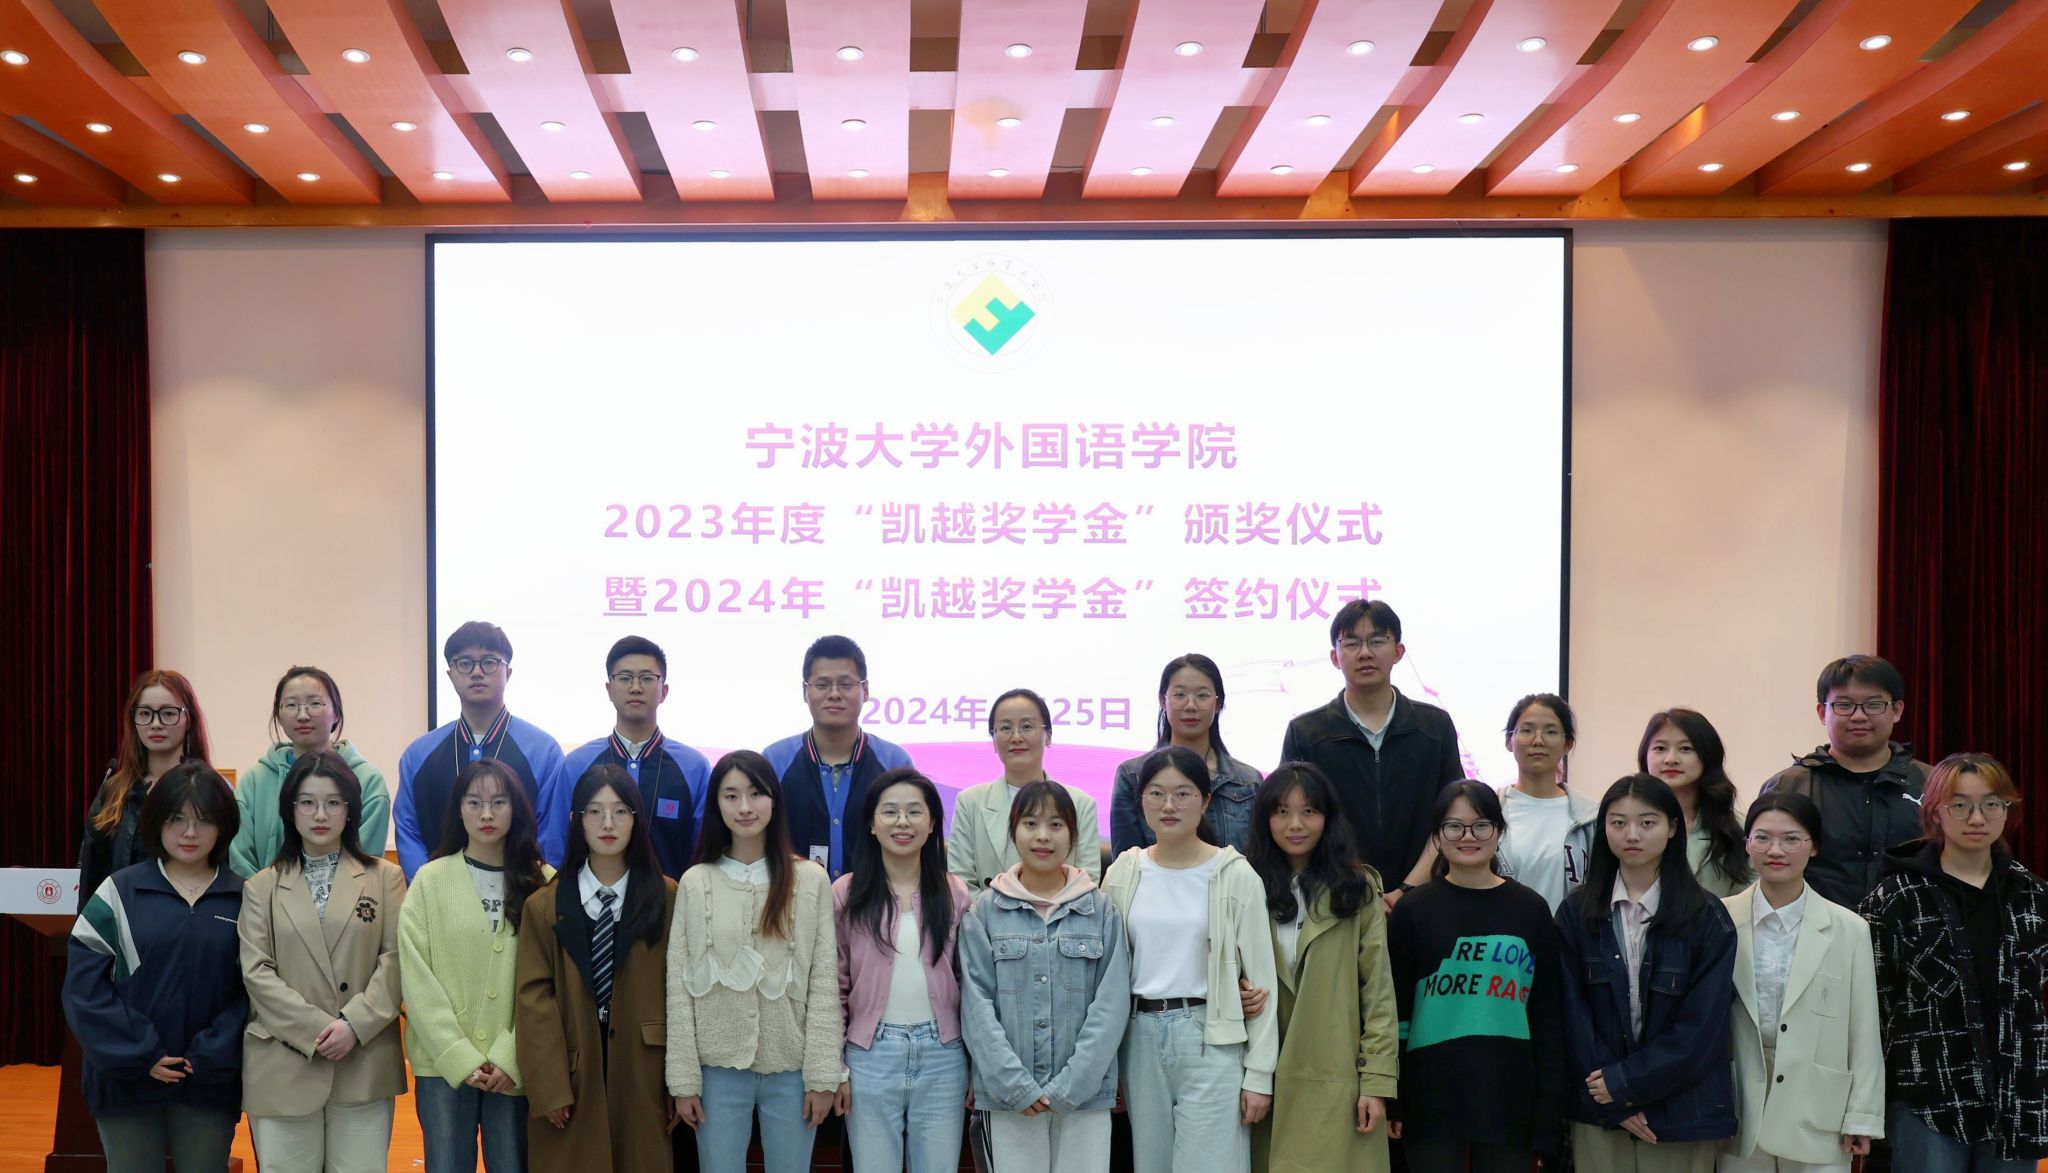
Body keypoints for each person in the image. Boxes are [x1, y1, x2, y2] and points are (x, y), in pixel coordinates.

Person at [1861, 752, 2048, 1172]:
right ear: (1934, 811)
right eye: (1960, 805)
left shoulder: (2033, 897)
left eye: (1991, 804)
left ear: (2007, 810)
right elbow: (1875, 1005)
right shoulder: (1896, 897)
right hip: (1929, 1095)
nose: (1977, 818)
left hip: (2015, 1096)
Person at [1103, 746, 1280, 1173]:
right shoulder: (1123, 872)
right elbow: (1106, 974)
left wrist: (1259, 1075)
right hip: (1139, 1039)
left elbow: (1262, 984)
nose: (1168, 805)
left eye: (1183, 794)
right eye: (1156, 793)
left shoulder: (1234, 873)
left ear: (1205, 801)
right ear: (1141, 800)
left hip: (1209, 1038)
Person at [64, 762, 246, 1173]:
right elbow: (83, 989)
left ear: (223, 826)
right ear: (156, 821)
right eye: (176, 819)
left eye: (204, 820)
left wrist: (211, 1054)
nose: (189, 832)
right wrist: (141, 1053)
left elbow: (253, 992)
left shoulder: (244, 899)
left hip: (208, 1081)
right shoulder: (118, 892)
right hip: (126, 1080)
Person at [667, 750, 841, 1173]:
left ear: (774, 801)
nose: (744, 807)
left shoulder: (811, 879)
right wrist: (683, 1080)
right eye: (731, 796)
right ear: (716, 805)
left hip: (792, 1069)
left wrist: (823, 1076)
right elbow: (678, 985)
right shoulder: (695, 881)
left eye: (756, 794)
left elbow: (824, 982)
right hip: (717, 1071)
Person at [239, 750, 409, 1173]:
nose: (320, 814)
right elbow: (256, 973)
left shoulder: (385, 878)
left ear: (351, 810)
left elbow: (396, 961)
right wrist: (318, 1030)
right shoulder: (261, 887)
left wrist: (353, 1025)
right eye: (307, 802)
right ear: (289, 809)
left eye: (333, 802)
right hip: (284, 1060)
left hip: (363, 1059)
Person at [1556, 774, 1737, 1173]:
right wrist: (1612, 1094)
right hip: (1599, 1106)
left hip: (1681, 1109)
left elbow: (1702, 1027)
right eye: (1618, 822)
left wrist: (1627, 1084)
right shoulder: (1576, 913)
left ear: (1673, 828)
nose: (1632, 834)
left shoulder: (1706, 916)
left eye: (1647, 822)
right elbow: (1571, 1014)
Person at [1387, 779, 1564, 1173]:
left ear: (1499, 832)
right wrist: (1394, 1098)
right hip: (1429, 1099)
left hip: (1509, 1097)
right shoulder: (1413, 911)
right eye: (1454, 826)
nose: (1468, 836)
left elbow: (1548, 1020)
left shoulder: (1530, 910)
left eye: (1481, 825)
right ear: (1437, 836)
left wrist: (1547, 1116)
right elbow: (1396, 1013)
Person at [959, 780, 1130, 1173]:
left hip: (1085, 1098)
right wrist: (1013, 1085)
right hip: (1007, 1100)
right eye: (1030, 823)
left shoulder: (1102, 911)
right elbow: (975, 1006)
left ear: (1073, 834)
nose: (1042, 836)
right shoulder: (983, 912)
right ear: (1013, 831)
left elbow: (1111, 1005)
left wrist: (1073, 1085)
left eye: (1056, 825)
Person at [516, 762, 678, 1173]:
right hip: (572, 1073)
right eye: (595, 811)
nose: (608, 823)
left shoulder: (666, 897)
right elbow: (533, 1001)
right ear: (577, 819)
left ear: (636, 820)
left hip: (644, 1071)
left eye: (620, 811)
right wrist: (549, 1087)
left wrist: (680, 1081)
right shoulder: (544, 905)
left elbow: (680, 992)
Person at [1243, 762, 1398, 1173]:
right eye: (1282, 811)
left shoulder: (1358, 889)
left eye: (1309, 811)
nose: (1295, 824)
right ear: (1265, 819)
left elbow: (1378, 993)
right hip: (1260, 1076)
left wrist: (1377, 1082)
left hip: (1337, 1076)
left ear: (1328, 817)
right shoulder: (1243, 883)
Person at [400, 759, 552, 1173]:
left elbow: (552, 983)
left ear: (516, 809)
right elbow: (416, 977)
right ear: (459, 810)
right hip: (442, 1065)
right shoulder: (429, 881)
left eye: (499, 802)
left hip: (516, 1067)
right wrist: (458, 1055)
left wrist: (511, 1054)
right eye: (474, 802)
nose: (487, 814)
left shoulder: (544, 882)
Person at [1723, 791, 1883, 1173]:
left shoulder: (1848, 929)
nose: (1776, 850)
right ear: (1747, 844)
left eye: (1791, 839)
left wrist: (1862, 1116)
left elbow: (1863, 1032)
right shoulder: (1721, 919)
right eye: (1763, 837)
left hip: (1818, 1109)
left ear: (1814, 847)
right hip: (1740, 1104)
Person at [832, 767, 973, 1172]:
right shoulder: (847, 893)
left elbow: (970, 985)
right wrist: (835, 1067)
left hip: (944, 1055)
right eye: (890, 812)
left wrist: (977, 1067)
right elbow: (833, 987)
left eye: (914, 812)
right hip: (870, 1056)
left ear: (932, 824)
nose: (902, 822)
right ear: (872, 824)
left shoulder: (955, 893)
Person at [1277, 600, 1463, 905]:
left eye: (1377, 641)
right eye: (1351, 643)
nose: (1365, 653)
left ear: (1398, 651)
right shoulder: (1306, 734)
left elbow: (1453, 817)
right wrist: (1357, 890)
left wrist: (1407, 891)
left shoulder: (1433, 727)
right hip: (1335, 901)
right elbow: (1295, 821)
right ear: (1335, 657)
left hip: (1426, 900)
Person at [397, 621, 566, 879]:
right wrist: (430, 890)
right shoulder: (418, 755)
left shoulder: (543, 751)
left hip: (519, 894)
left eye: (489, 662)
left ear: (508, 672)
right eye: (464, 663)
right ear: (450, 674)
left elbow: (549, 837)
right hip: (436, 896)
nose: (477, 672)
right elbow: (409, 833)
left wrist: (525, 890)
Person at [1761, 656, 1931, 909]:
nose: (1859, 716)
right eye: (1844, 705)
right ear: (1822, 713)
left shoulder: (1932, 784)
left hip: (1913, 929)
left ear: (1897, 710)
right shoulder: (1788, 787)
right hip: (1816, 929)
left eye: (1874, 705)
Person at [540, 635, 711, 876]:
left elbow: (703, 856)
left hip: (669, 900)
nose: (635, 687)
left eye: (647, 678)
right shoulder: (577, 764)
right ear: (609, 690)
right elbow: (558, 850)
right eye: (625, 678)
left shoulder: (694, 768)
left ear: (664, 691)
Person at [765, 635, 914, 878]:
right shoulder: (775, 761)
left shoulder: (894, 763)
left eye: (845, 684)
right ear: (805, 691)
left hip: (875, 900)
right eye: (822, 684)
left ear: (865, 690)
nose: (834, 694)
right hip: (792, 898)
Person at [231, 665, 391, 877]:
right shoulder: (254, 781)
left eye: (315, 704)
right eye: (291, 705)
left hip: (347, 897)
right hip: (263, 897)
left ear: (337, 713)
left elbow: (363, 862)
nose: (302, 715)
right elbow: (240, 859)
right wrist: (265, 894)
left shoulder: (368, 781)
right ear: (278, 715)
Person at [80, 670, 212, 911]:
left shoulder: (209, 790)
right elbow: (92, 877)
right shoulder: (113, 792)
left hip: (188, 920)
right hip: (123, 920)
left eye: (168, 713)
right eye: (145, 713)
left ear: (188, 719)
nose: (156, 723)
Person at [1111, 653, 1263, 857]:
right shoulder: (1132, 775)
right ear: (1163, 701)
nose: (1190, 705)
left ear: (1218, 704)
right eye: (1180, 694)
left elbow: (1258, 861)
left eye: (1202, 695)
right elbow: (1125, 864)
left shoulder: (1248, 782)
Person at [947, 688, 1100, 889]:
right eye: (1005, 728)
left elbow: (1087, 884)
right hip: (985, 909)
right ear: (994, 740)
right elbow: (962, 885)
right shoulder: (970, 802)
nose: (1016, 737)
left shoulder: (1080, 803)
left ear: (1048, 735)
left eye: (1027, 726)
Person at [1494, 693, 1598, 912]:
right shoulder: (1489, 811)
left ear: (1567, 744)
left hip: (1567, 933)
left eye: (1551, 732)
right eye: (1527, 730)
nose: (1538, 741)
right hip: (1501, 932)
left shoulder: (1590, 817)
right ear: (1508, 741)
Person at [1638, 709, 1751, 897]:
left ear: (1708, 755)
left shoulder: (1739, 830)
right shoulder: (1620, 824)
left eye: (1685, 749)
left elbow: (1748, 900)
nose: (1671, 759)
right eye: (1660, 748)